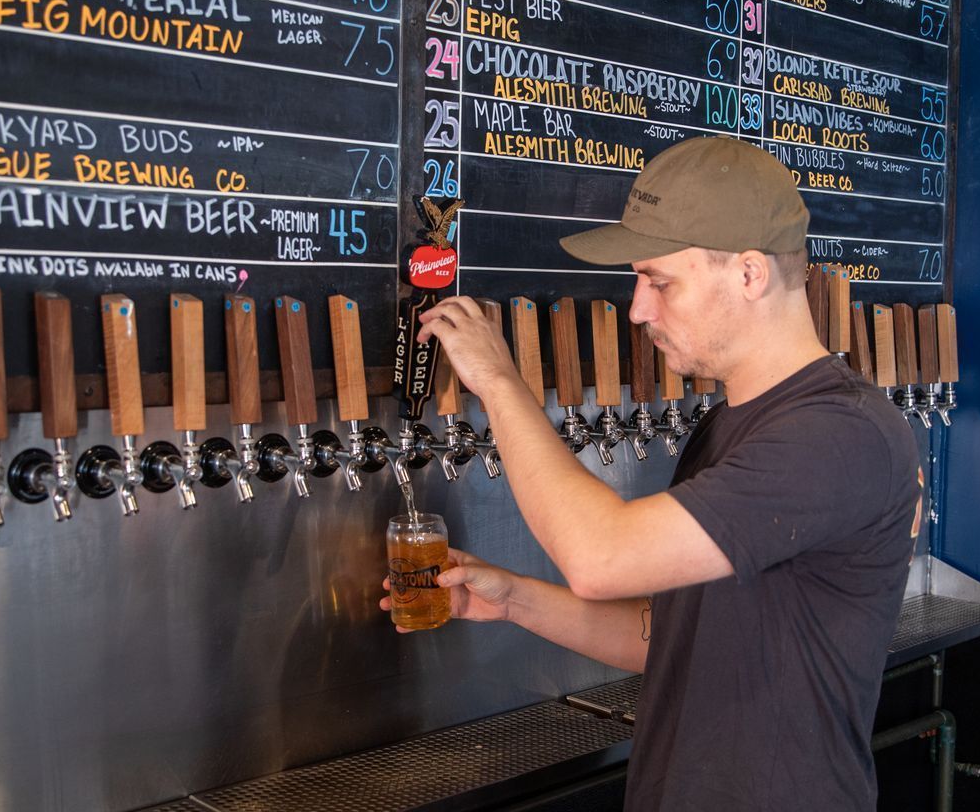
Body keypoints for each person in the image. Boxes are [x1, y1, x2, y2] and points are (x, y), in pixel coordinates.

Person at [386, 136, 922, 811]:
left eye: (659, 281)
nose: (637, 309)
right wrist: (513, 598)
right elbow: (670, 638)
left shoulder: (841, 436)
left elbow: (599, 557)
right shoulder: (731, 424)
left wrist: (498, 381)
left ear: (750, 274)